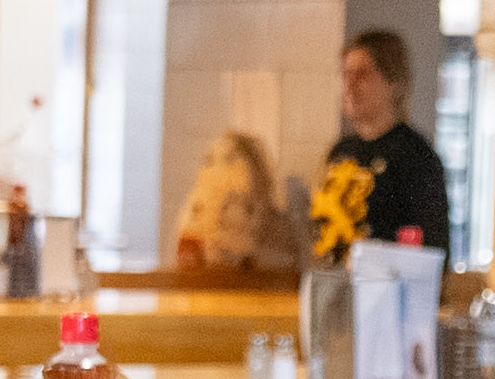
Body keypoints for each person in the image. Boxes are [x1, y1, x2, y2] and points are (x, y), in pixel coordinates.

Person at [306, 29, 452, 261]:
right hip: (332, 285)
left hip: (383, 290)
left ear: (393, 82)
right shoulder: (341, 151)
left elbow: (432, 248)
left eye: (362, 74)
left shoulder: (414, 156)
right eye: (346, 74)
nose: (349, 85)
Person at [170, 128, 292, 272]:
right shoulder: (195, 210)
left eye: (230, 159)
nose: (219, 169)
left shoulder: (276, 222)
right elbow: (187, 267)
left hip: (254, 288)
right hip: (207, 288)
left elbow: (284, 267)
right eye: (210, 160)